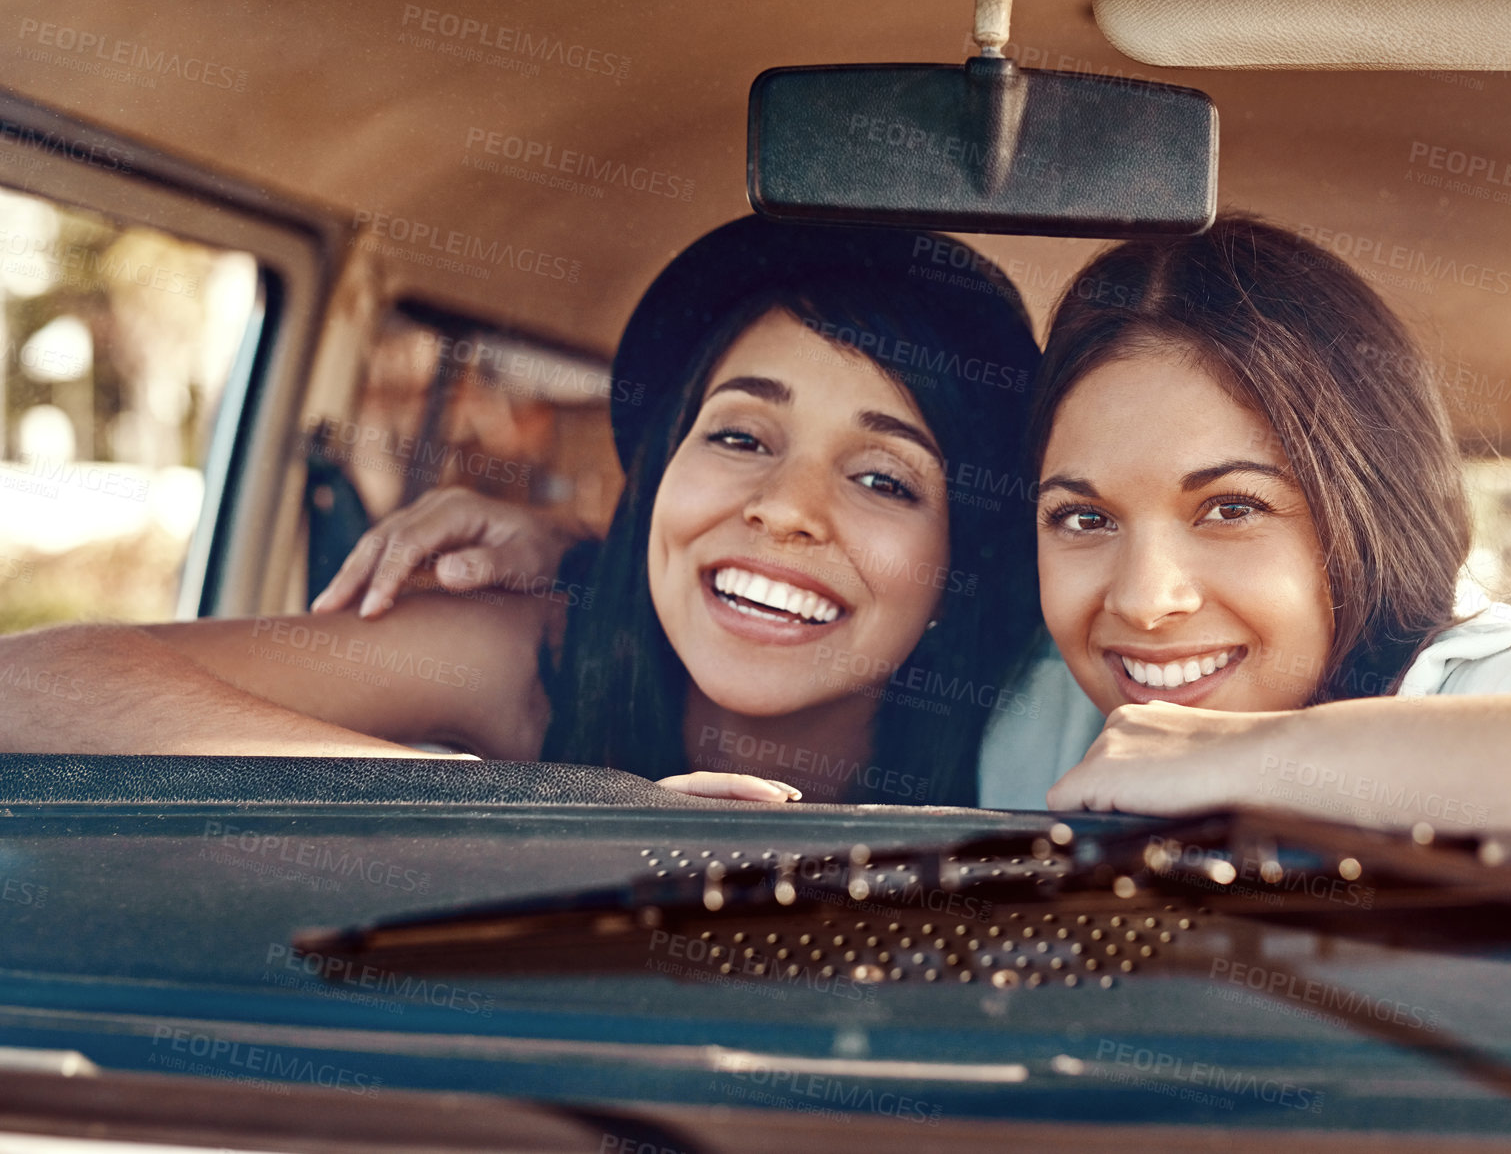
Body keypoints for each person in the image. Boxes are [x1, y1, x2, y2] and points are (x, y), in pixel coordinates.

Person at [0, 217, 1042, 808]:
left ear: (963, 561)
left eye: (884, 480)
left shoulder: (1035, 722)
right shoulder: (536, 650)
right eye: (738, 437)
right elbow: (32, 688)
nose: (784, 512)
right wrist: (547, 813)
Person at [1011, 214, 1511, 844]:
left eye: (1232, 508)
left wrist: (1268, 759)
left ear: (1368, 511)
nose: (1142, 600)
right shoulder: (1038, 708)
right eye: (1085, 518)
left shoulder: (1486, 690)